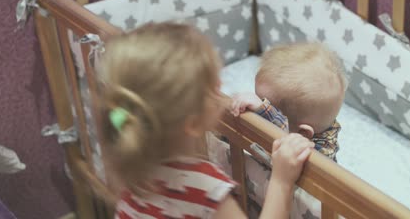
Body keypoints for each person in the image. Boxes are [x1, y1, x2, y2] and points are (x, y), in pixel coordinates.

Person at [96, 23, 315, 218]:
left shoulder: (129, 170)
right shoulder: (204, 188)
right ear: (192, 123)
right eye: (213, 87)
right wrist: (281, 181)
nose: (221, 89)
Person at [231, 43, 347, 161]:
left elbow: (284, 135)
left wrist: (264, 111)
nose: (255, 105)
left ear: (303, 134)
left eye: (266, 104)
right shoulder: (312, 119)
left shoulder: (319, 157)